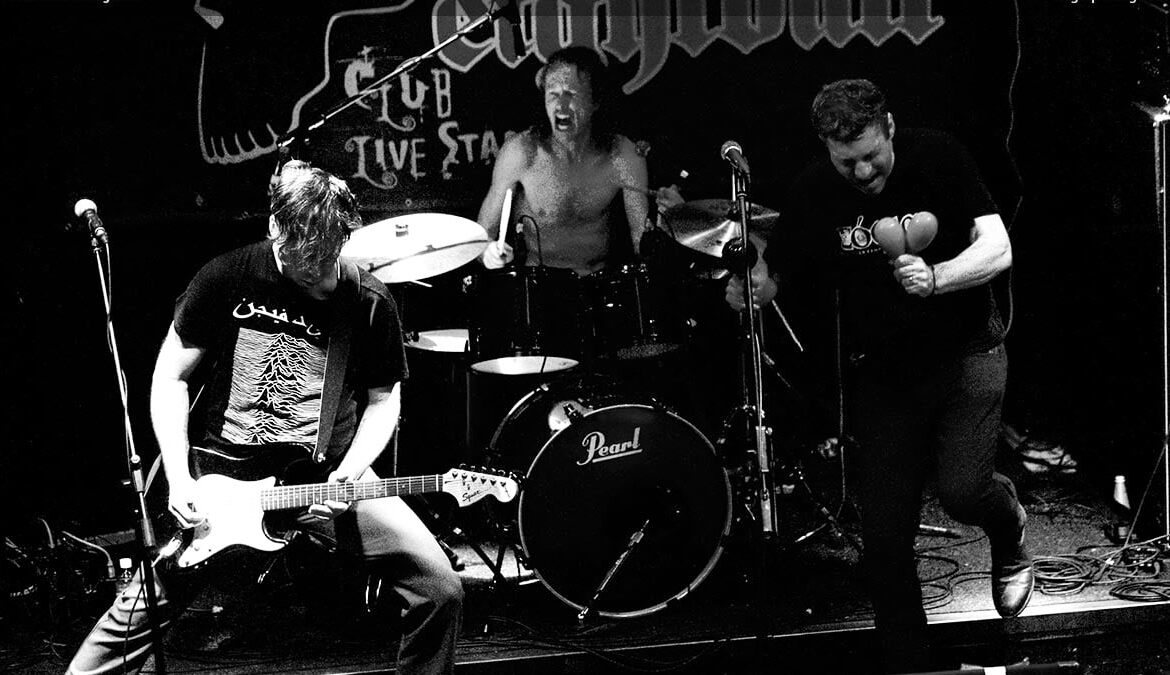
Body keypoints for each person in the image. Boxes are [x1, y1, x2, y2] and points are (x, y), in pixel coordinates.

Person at [67, 161, 463, 675]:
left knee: (440, 588)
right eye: (303, 259)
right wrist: (181, 479)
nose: (317, 273)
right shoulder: (226, 277)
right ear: (275, 227)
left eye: (327, 256)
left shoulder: (367, 301)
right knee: (131, 623)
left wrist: (348, 474)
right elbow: (171, 377)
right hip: (222, 480)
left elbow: (384, 399)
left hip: (323, 475)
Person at [726, 79, 1031, 672]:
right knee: (885, 541)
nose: (863, 173)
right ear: (826, 149)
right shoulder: (815, 190)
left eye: (871, 155)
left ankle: (1009, 525)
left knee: (964, 491)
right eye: (848, 163)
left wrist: (938, 279)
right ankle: (910, 665)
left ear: (889, 127)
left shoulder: (938, 155)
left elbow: (998, 247)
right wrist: (750, 288)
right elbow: (776, 275)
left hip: (968, 353)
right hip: (887, 375)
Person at [477, 46, 681, 275]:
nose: (561, 106)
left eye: (571, 94)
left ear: (595, 101)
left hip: (599, 283)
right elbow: (480, 238)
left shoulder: (622, 154)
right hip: (537, 284)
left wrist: (672, 222)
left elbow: (641, 246)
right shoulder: (521, 151)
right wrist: (488, 253)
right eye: (553, 94)